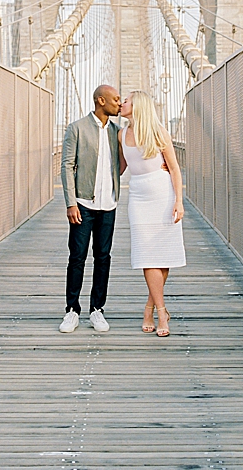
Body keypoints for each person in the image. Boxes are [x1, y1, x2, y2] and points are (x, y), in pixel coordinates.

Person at [118, 90, 185, 337]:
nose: (121, 103)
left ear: (138, 106)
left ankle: (153, 309)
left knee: (162, 255)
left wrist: (179, 201)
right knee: (147, 254)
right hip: (138, 197)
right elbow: (120, 168)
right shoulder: (121, 134)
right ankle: (161, 310)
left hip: (163, 195)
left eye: (125, 100)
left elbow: (175, 169)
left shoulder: (158, 132)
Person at [58, 84, 122, 333]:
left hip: (109, 205)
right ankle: (72, 311)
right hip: (83, 204)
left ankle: (97, 310)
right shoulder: (77, 128)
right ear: (100, 100)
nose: (119, 102)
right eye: (115, 99)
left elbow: (124, 162)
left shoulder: (117, 132)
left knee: (103, 258)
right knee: (77, 258)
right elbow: (67, 166)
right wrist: (71, 202)